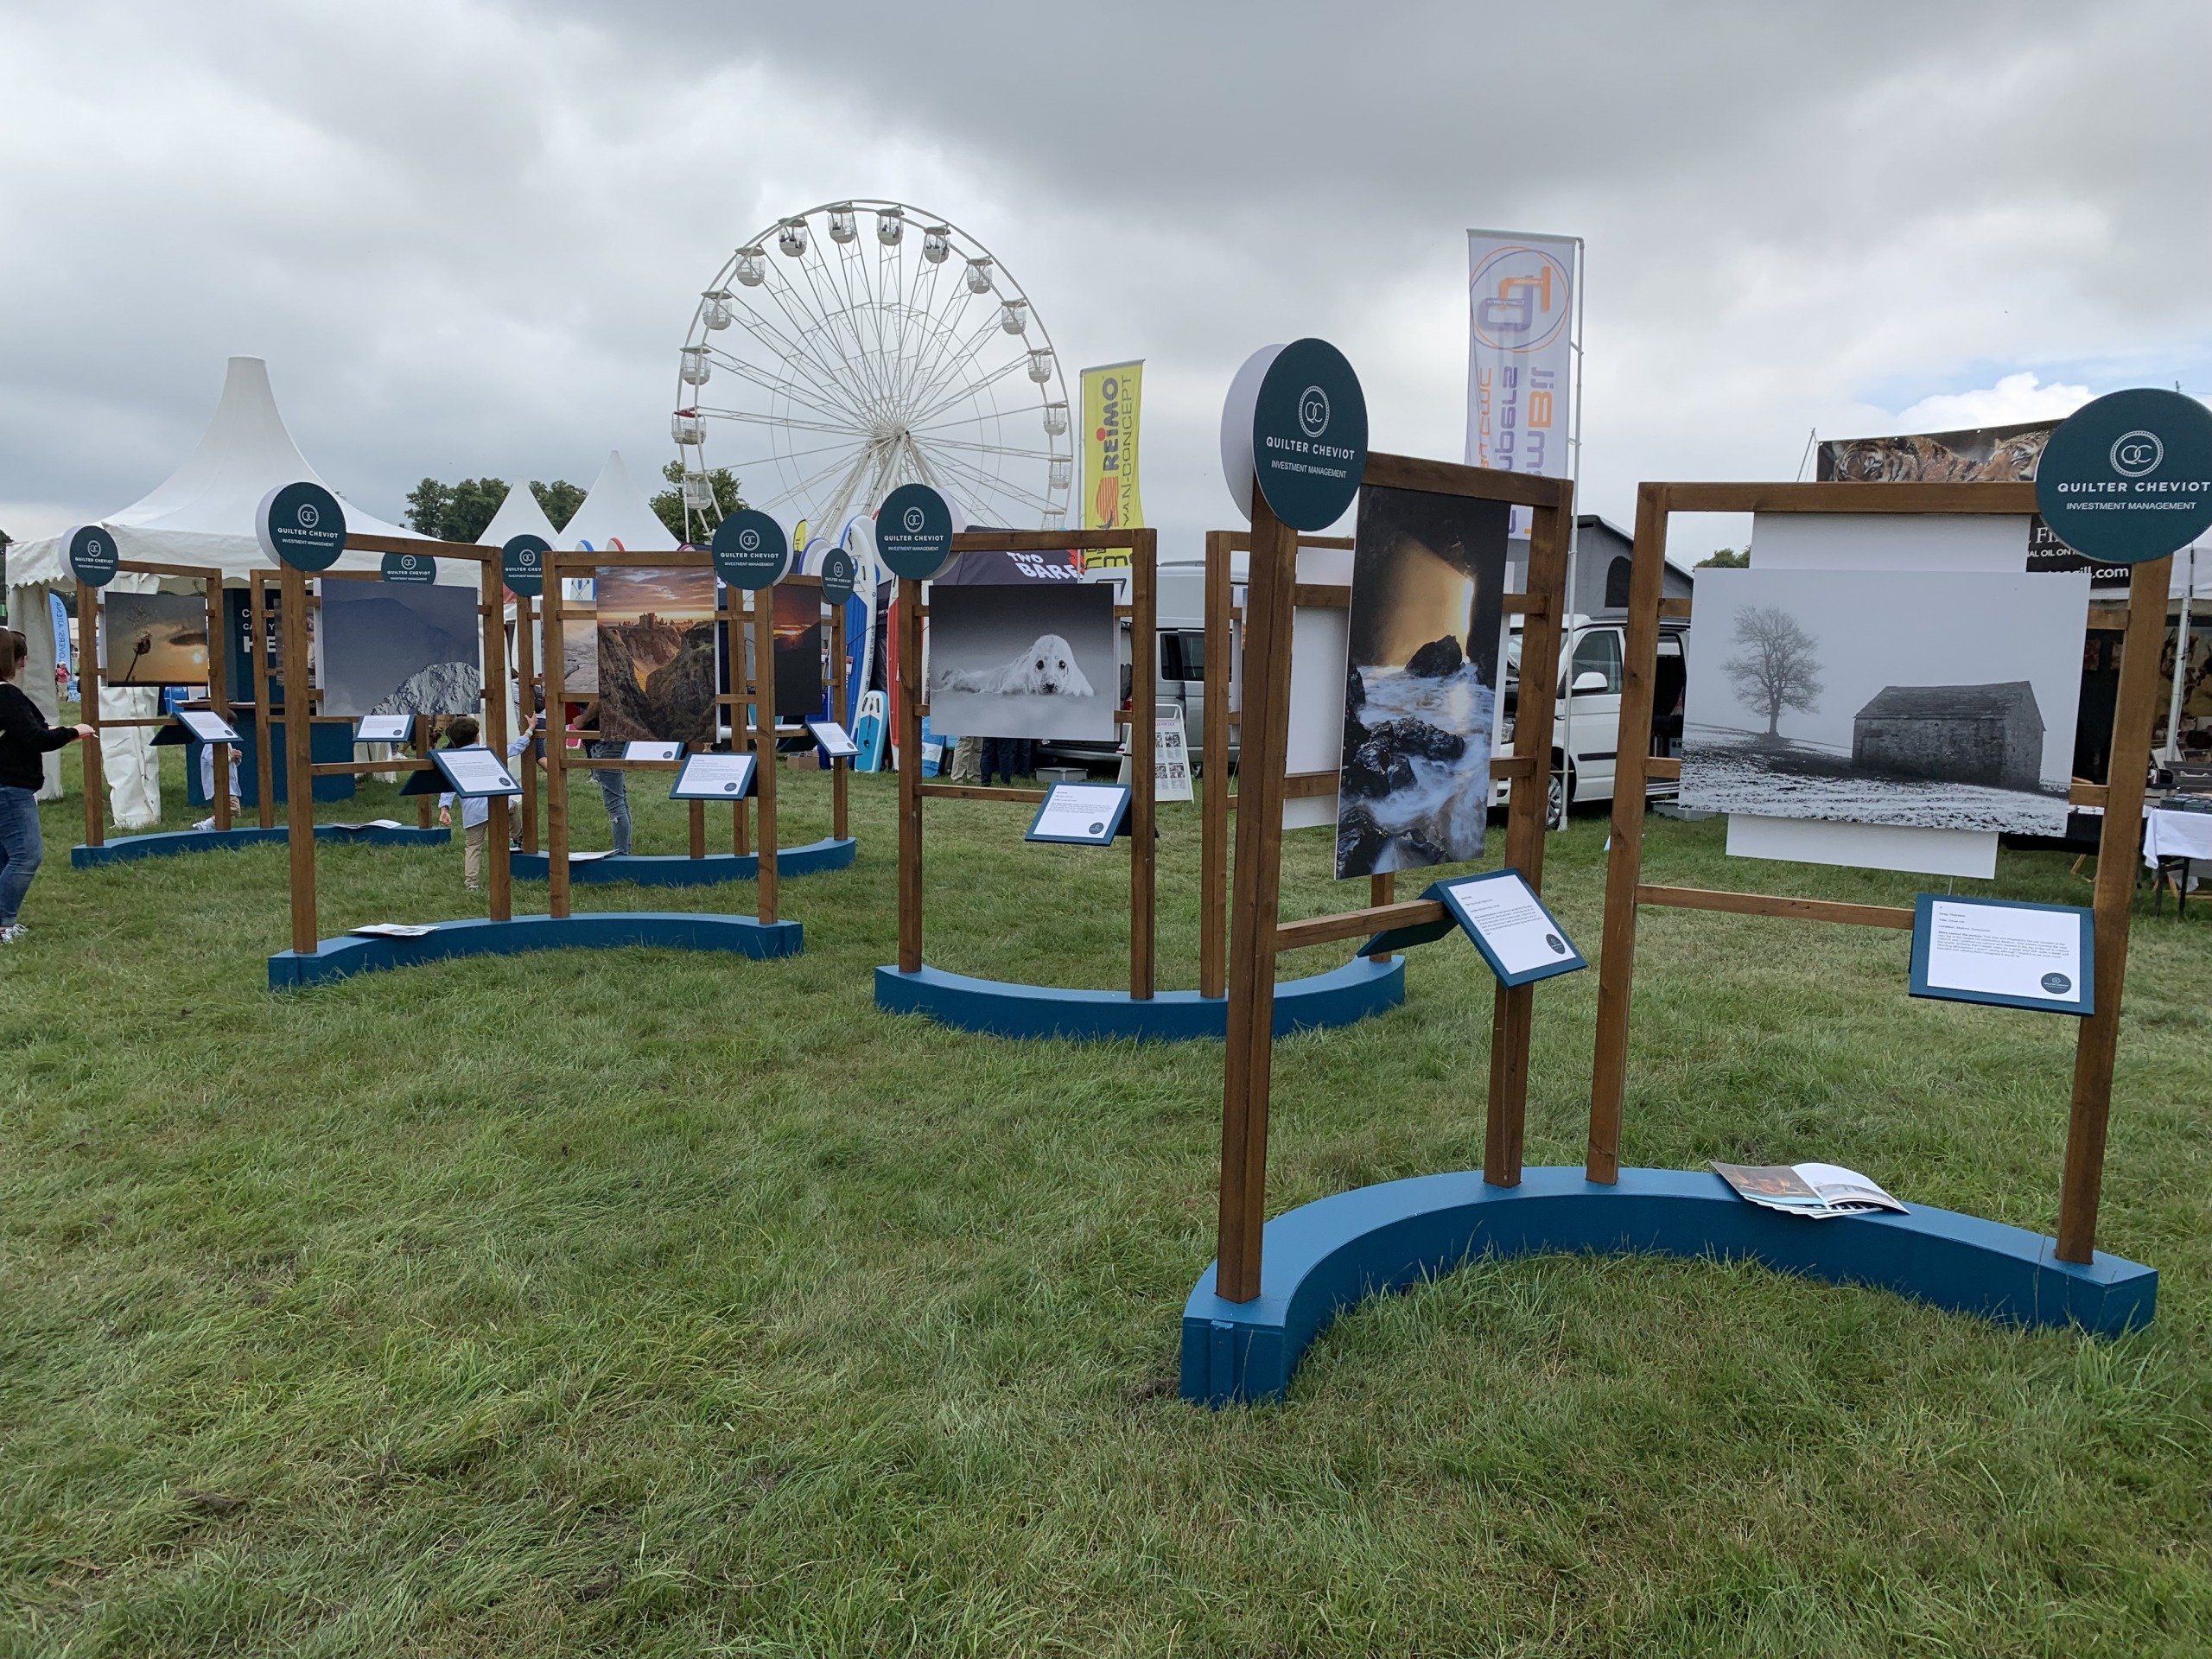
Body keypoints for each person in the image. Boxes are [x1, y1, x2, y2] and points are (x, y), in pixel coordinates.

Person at [0, 626, 94, 944]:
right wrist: (72, 731)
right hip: (10, 786)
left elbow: (24, 730)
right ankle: (2, 924)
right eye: (21, 657)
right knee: (27, 855)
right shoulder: (7, 696)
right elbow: (34, 737)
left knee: (5, 855)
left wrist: (51, 729)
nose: (24, 663)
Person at [434, 715, 525, 892]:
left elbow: (448, 786)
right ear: (477, 736)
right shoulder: (488, 752)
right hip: (499, 804)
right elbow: (516, 748)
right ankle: (517, 837)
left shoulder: (452, 760)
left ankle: (472, 883)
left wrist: (444, 808)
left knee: (473, 847)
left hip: (473, 812)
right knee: (513, 808)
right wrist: (529, 731)